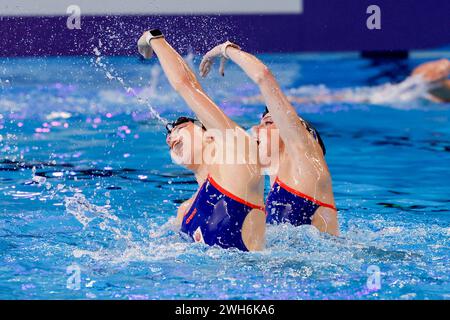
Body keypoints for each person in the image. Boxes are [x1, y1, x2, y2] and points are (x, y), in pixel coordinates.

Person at [137, 30, 265, 251]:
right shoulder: (184, 211)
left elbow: (187, 86)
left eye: (179, 127)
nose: (170, 138)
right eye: (168, 135)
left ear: (209, 133)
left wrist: (153, 39)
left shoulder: (238, 156)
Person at [200, 41, 339, 236]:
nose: (256, 129)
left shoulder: (305, 161)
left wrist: (225, 49)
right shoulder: (269, 197)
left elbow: (263, 77)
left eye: (268, 123)